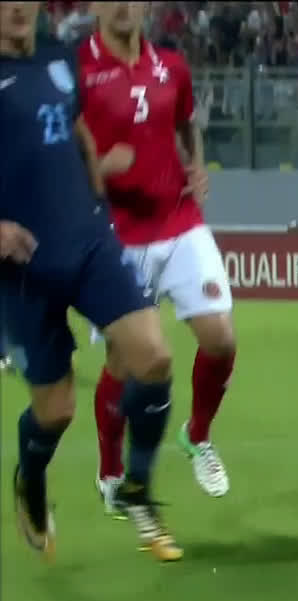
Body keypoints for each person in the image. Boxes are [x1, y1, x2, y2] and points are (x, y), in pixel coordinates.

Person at [0, 0, 182, 562]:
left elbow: (77, 130)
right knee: (55, 410)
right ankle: (30, 478)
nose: (16, 8)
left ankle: (138, 487)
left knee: (154, 357)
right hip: (20, 269)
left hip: (88, 243)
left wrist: (97, 190)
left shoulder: (60, 60)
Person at [78, 2, 236, 514]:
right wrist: (102, 168)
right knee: (126, 363)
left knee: (221, 339)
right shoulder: (76, 70)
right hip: (116, 234)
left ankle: (198, 434)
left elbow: (186, 123)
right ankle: (110, 468)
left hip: (179, 220)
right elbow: (59, 152)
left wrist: (196, 165)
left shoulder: (173, 66)